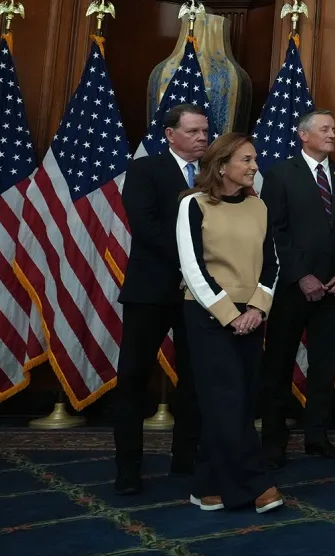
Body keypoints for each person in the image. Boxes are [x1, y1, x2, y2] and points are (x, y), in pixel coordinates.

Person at [175, 133, 283, 514]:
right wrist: (230, 315)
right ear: (221, 166)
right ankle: (256, 483)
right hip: (208, 315)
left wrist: (256, 309)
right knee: (227, 400)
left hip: (252, 316)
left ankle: (207, 485)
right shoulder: (193, 204)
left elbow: (272, 264)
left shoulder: (259, 207)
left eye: (255, 159)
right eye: (246, 160)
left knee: (239, 401)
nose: (255, 166)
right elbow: (192, 268)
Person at [259, 109, 335, 468]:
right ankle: (273, 440)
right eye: (325, 129)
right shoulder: (280, 174)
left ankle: (317, 436)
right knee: (278, 364)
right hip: (293, 289)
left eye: (334, 128)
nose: (333, 134)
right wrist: (300, 275)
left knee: (325, 366)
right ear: (303, 135)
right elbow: (274, 231)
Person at [113, 103, 208, 495]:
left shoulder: (214, 173)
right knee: (133, 379)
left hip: (199, 294)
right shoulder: (145, 169)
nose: (202, 138)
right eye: (193, 131)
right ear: (170, 134)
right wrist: (192, 260)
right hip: (151, 289)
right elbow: (146, 226)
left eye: (205, 131)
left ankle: (186, 458)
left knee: (195, 378)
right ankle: (128, 468)